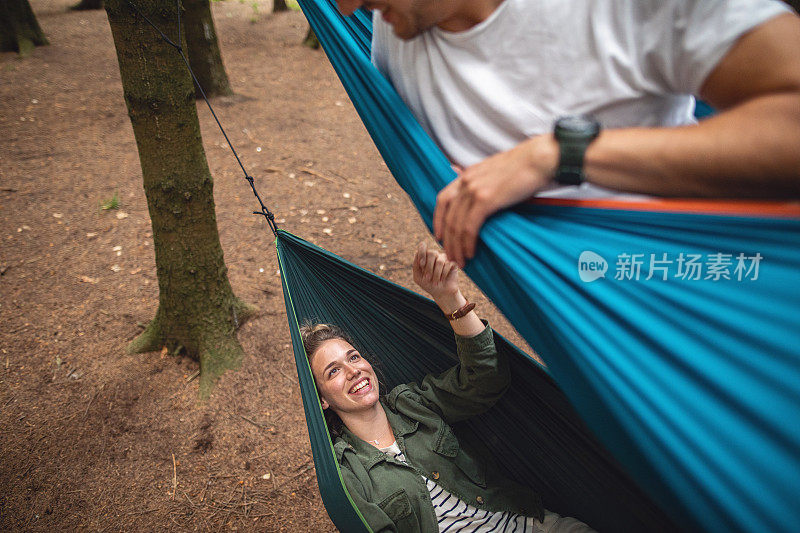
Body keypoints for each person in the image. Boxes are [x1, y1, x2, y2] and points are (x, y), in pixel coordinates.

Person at [333, 0, 800, 267]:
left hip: (706, 284)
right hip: (579, 326)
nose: (346, 6)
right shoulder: (393, 26)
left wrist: (558, 155)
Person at [301, 242, 595, 533]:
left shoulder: (412, 404)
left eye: (354, 357)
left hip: (530, 525)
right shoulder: (348, 473)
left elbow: (486, 378)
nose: (354, 370)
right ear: (323, 400)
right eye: (334, 371)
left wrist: (450, 298)